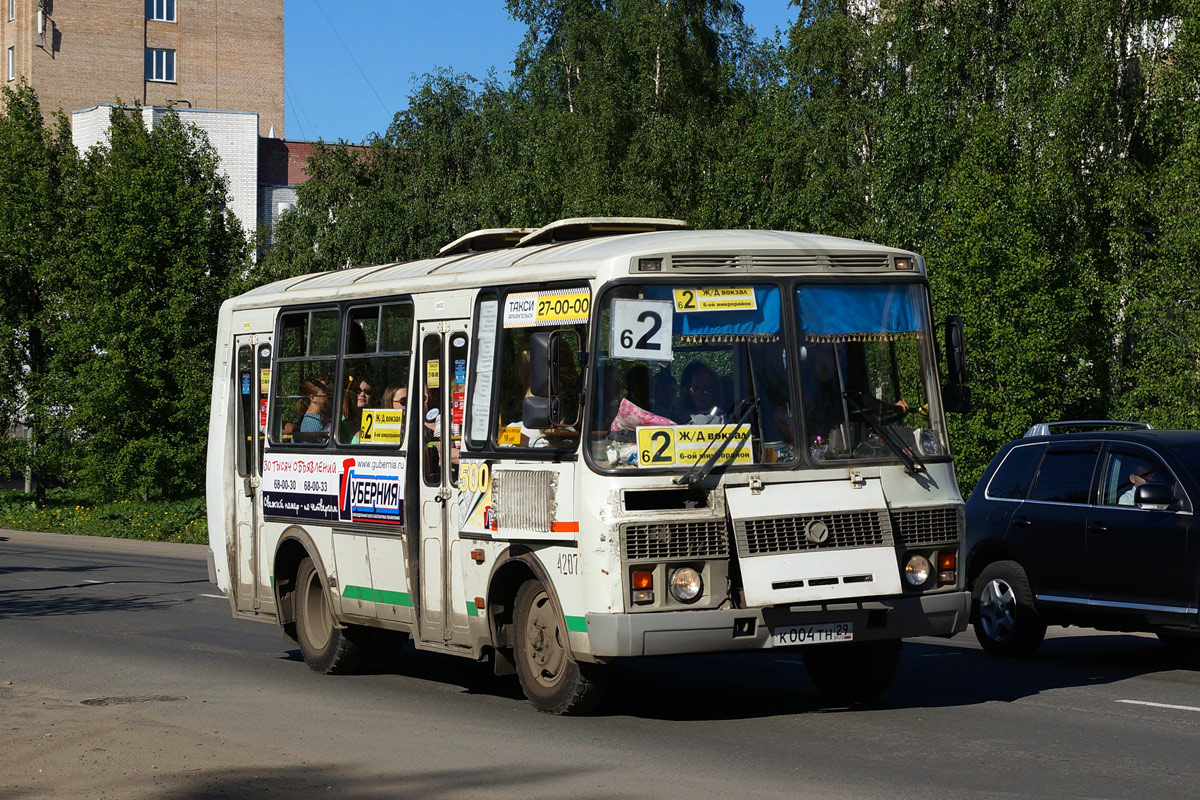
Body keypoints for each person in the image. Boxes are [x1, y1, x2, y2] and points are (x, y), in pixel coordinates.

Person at [340, 376, 374, 443]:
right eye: (358, 391)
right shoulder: (341, 422)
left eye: (367, 392)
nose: (362, 394)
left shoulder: (375, 420)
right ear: (350, 394)